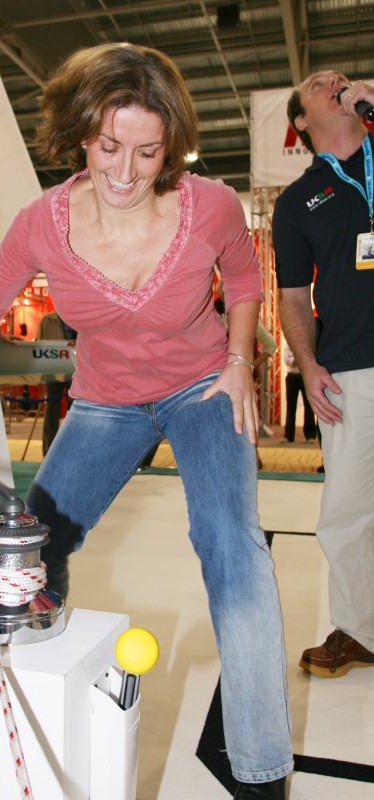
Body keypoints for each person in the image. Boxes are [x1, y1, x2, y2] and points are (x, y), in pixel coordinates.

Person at [0, 43, 292, 798]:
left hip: (204, 388)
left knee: (231, 547)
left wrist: (241, 362)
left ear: (170, 149)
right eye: (110, 146)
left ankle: (261, 772)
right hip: (107, 400)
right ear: (82, 133)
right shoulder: (42, 222)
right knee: (32, 550)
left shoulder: (207, 203)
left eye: (148, 152)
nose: (125, 169)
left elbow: (243, 274)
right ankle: (30, 704)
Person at [273, 70, 374, 678]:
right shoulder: (296, 201)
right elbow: (292, 295)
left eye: (338, 77)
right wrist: (307, 365)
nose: (333, 79)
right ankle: (360, 629)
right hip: (351, 372)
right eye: (318, 83)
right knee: (347, 511)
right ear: (301, 123)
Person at [35, 310, 77, 456]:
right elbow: (38, 344)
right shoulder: (47, 320)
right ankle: (48, 451)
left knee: (74, 413)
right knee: (51, 411)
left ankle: (71, 451)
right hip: (52, 371)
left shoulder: (78, 317)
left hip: (75, 372)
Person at [280, 342, 317, 443]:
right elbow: (286, 359)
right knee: (291, 407)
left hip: (306, 376)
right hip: (292, 375)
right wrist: (296, 361)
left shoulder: (308, 342)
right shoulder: (288, 343)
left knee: (309, 406)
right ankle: (288, 435)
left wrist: (300, 361)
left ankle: (311, 436)